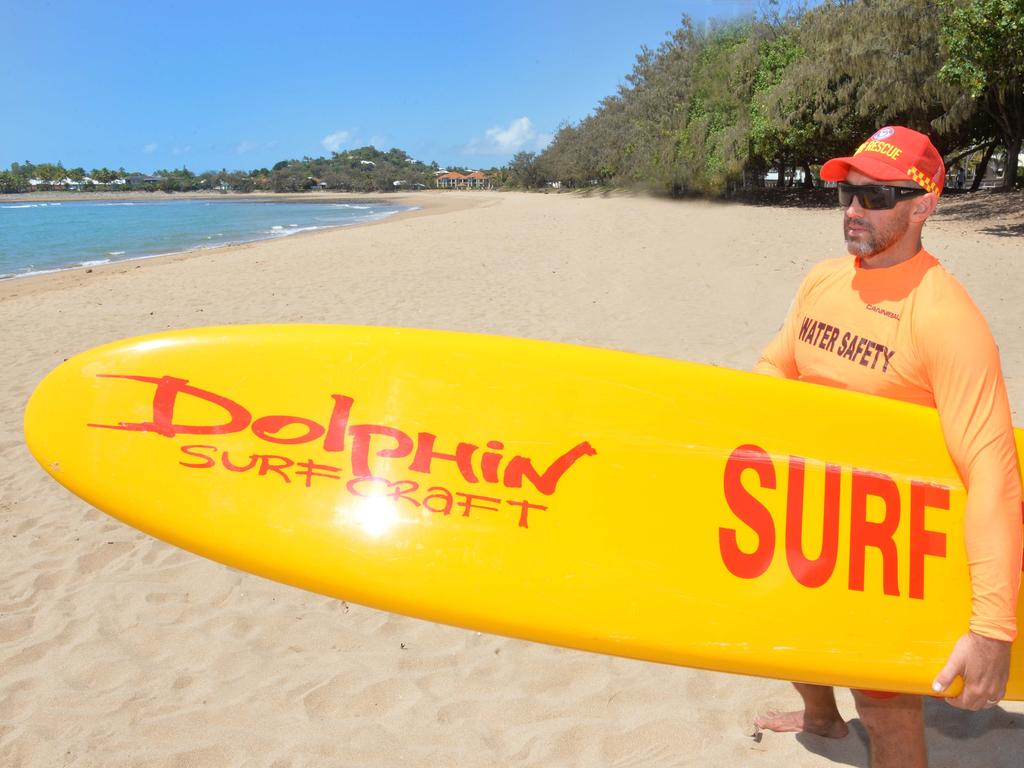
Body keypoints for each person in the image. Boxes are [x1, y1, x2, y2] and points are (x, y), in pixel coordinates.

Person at [751, 126, 1022, 768]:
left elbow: (993, 474)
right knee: (778, 638)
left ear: (923, 204)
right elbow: (775, 364)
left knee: (884, 707)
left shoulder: (944, 317)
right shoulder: (823, 280)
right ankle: (822, 718)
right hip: (805, 511)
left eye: (876, 198)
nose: (852, 210)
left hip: (883, 544)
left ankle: (865, 724)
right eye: (848, 192)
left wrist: (992, 630)